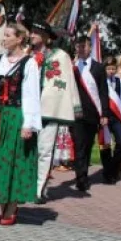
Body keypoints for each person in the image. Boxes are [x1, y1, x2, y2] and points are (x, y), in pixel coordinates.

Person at [0, 23, 41, 226]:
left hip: (17, 116)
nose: (4, 39)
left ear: (19, 39)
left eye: (7, 35)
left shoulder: (29, 63)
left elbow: (31, 95)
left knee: (14, 161)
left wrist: (29, 124)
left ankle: (11, 206)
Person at [28, 21, 80, 203]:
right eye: (31, 32)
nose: (31, 35)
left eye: (36, 32)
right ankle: (26, 186)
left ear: (46, 37)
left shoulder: (61, 56)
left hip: (49, 109)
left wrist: (75, 105)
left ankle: (39, 189)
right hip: (27, 110)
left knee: (44, 150)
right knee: (27, 150)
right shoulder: (27, 55)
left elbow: (68, 81)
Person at [72, 34, 109, 193]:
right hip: (76, 113)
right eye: (78, 46)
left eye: (83, 46)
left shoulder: (98, 68)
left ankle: (83, 173)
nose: (80, 49)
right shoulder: (72, 67)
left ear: (89, 47)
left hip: (93, 113)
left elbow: (103, 92)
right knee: (79, 145)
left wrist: (105, 114)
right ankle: (81, 178)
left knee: (87, 146)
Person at [100, 56, 121, 184]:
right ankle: (108, 173)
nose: (111, 71)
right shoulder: (100, 81)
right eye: (108, 69)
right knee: (105, 145)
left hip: (117, 116)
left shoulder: (119, 82)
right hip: (105, 117)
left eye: (113, 68)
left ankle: (112, 168)